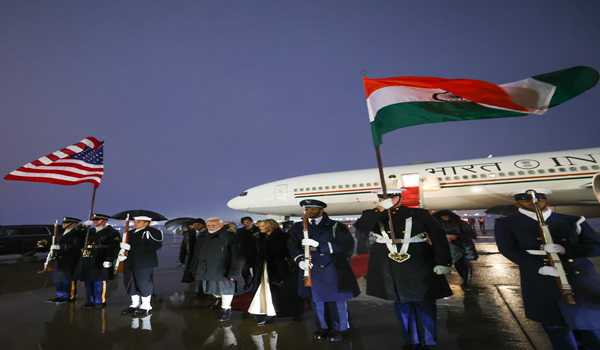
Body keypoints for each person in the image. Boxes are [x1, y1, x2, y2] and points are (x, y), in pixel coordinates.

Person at [495, 189, 600, 350]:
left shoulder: (573, 220)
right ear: (516, 201)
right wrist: (539, 267)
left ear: (546, 199)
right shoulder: (506, 223)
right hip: (541, 281)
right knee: (558, 331)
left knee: (591, 329)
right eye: (525, 198)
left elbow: (595, 247)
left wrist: (567, 249)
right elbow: (508, 250)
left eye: (539, 197)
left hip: (579, 281)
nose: (533, 201)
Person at [354, 190, 452, 350]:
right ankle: (411, 340)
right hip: (391, 268)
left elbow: (438, 237)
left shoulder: (419, 213)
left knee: (425, 305)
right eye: (383, 198)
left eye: (392, 197)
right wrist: (379, 210)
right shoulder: (373, 215)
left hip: (419, 264)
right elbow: (361, 229)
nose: (388, 200)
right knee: (402, 306)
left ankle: (429, 341)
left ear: (399, 197)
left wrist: (443, 261)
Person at [288, 199, 360, 343]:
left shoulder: (335, 226)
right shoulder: (298, 227)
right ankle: (323, 328)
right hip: (311, 269)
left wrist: (320, 246)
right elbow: (292, 245)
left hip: (332, 268)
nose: (308, 212)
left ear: (321, 210)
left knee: (336, 300)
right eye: (306, 209)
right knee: (317, 302)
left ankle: (340, 329)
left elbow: (347, 246)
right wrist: (299, 259)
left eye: (312, 209)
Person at [187, 217, 245, 322]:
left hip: (223, 269)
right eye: (209, 225)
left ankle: (226, 309)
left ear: (221, 225)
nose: (211, 227)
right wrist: (194, 268)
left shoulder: (229, 236)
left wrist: (234, 272)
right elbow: (196, 253)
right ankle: (219, 302)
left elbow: (237, 256)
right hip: (206, 269)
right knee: (212, 289)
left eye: (214, 225)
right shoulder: (203, 235)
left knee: (226, 289)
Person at [248, 219, 303, 325]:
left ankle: (291, 313)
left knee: (281, 292)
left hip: (279, 269)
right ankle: (268, 312)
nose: (260, 227)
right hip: (264, 268)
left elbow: (287, 253)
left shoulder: (283, 237)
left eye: (263, 226)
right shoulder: (260, 237)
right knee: (266, 291)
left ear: (270, 226)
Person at [119, 216, 163, 317]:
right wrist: (122, 251)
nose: (135, 223)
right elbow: (125, 246)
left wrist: (132, 247)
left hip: (144, 263)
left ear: (146, 223)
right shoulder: (130, 233)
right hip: (129, 262)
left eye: (139, 221)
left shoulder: (152, 232)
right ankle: (135, 304)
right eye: (135, 221)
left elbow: (156, 246)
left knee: (143, 284)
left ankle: (146, 306)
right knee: (130, 283)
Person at [76, 213, 121, 308]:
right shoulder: (90, 231)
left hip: (101, 260)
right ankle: (89, 301)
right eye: (94, 220)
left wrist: (109, 259)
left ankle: (99, 302)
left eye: (98, 219)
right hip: (88, 260)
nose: (95, 221)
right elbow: (77, 235)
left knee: (98, 283)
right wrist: (82, 226)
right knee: (88, 282)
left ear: (105, 220)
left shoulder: (112, 232)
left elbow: (115, 247)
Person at [43, 217, 85, 303]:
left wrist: (61, 247)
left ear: (72, 224)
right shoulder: (63, 233)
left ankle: (68, 296)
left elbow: (76, 246)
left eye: (66, 222)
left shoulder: (76, 234)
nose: (64, 224)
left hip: (70, 260)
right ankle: (60, 296)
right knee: (59, 279)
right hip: (60, 260)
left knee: (67, 279)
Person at [433, 209, 478, 288]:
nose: (445, 218)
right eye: (443, 217)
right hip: (443, 250)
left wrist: (456, 237)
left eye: (447, 216)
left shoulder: (460, 223)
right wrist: (443, 237)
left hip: (461, 248)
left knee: (462, 266)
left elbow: (472, 235)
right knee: (441, 268)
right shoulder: (434, 224)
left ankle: (465, 282)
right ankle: (443, 285)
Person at [237, 216, 259, 289]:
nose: (246, 224)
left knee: (256, 270)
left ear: (251, 221)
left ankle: (255, 283)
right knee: (244, 270)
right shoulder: (240, 231)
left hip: (256, 254)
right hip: (244, 254)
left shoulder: (258, 230)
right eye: (244, 222)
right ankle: (247, 282)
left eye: (247, 222)